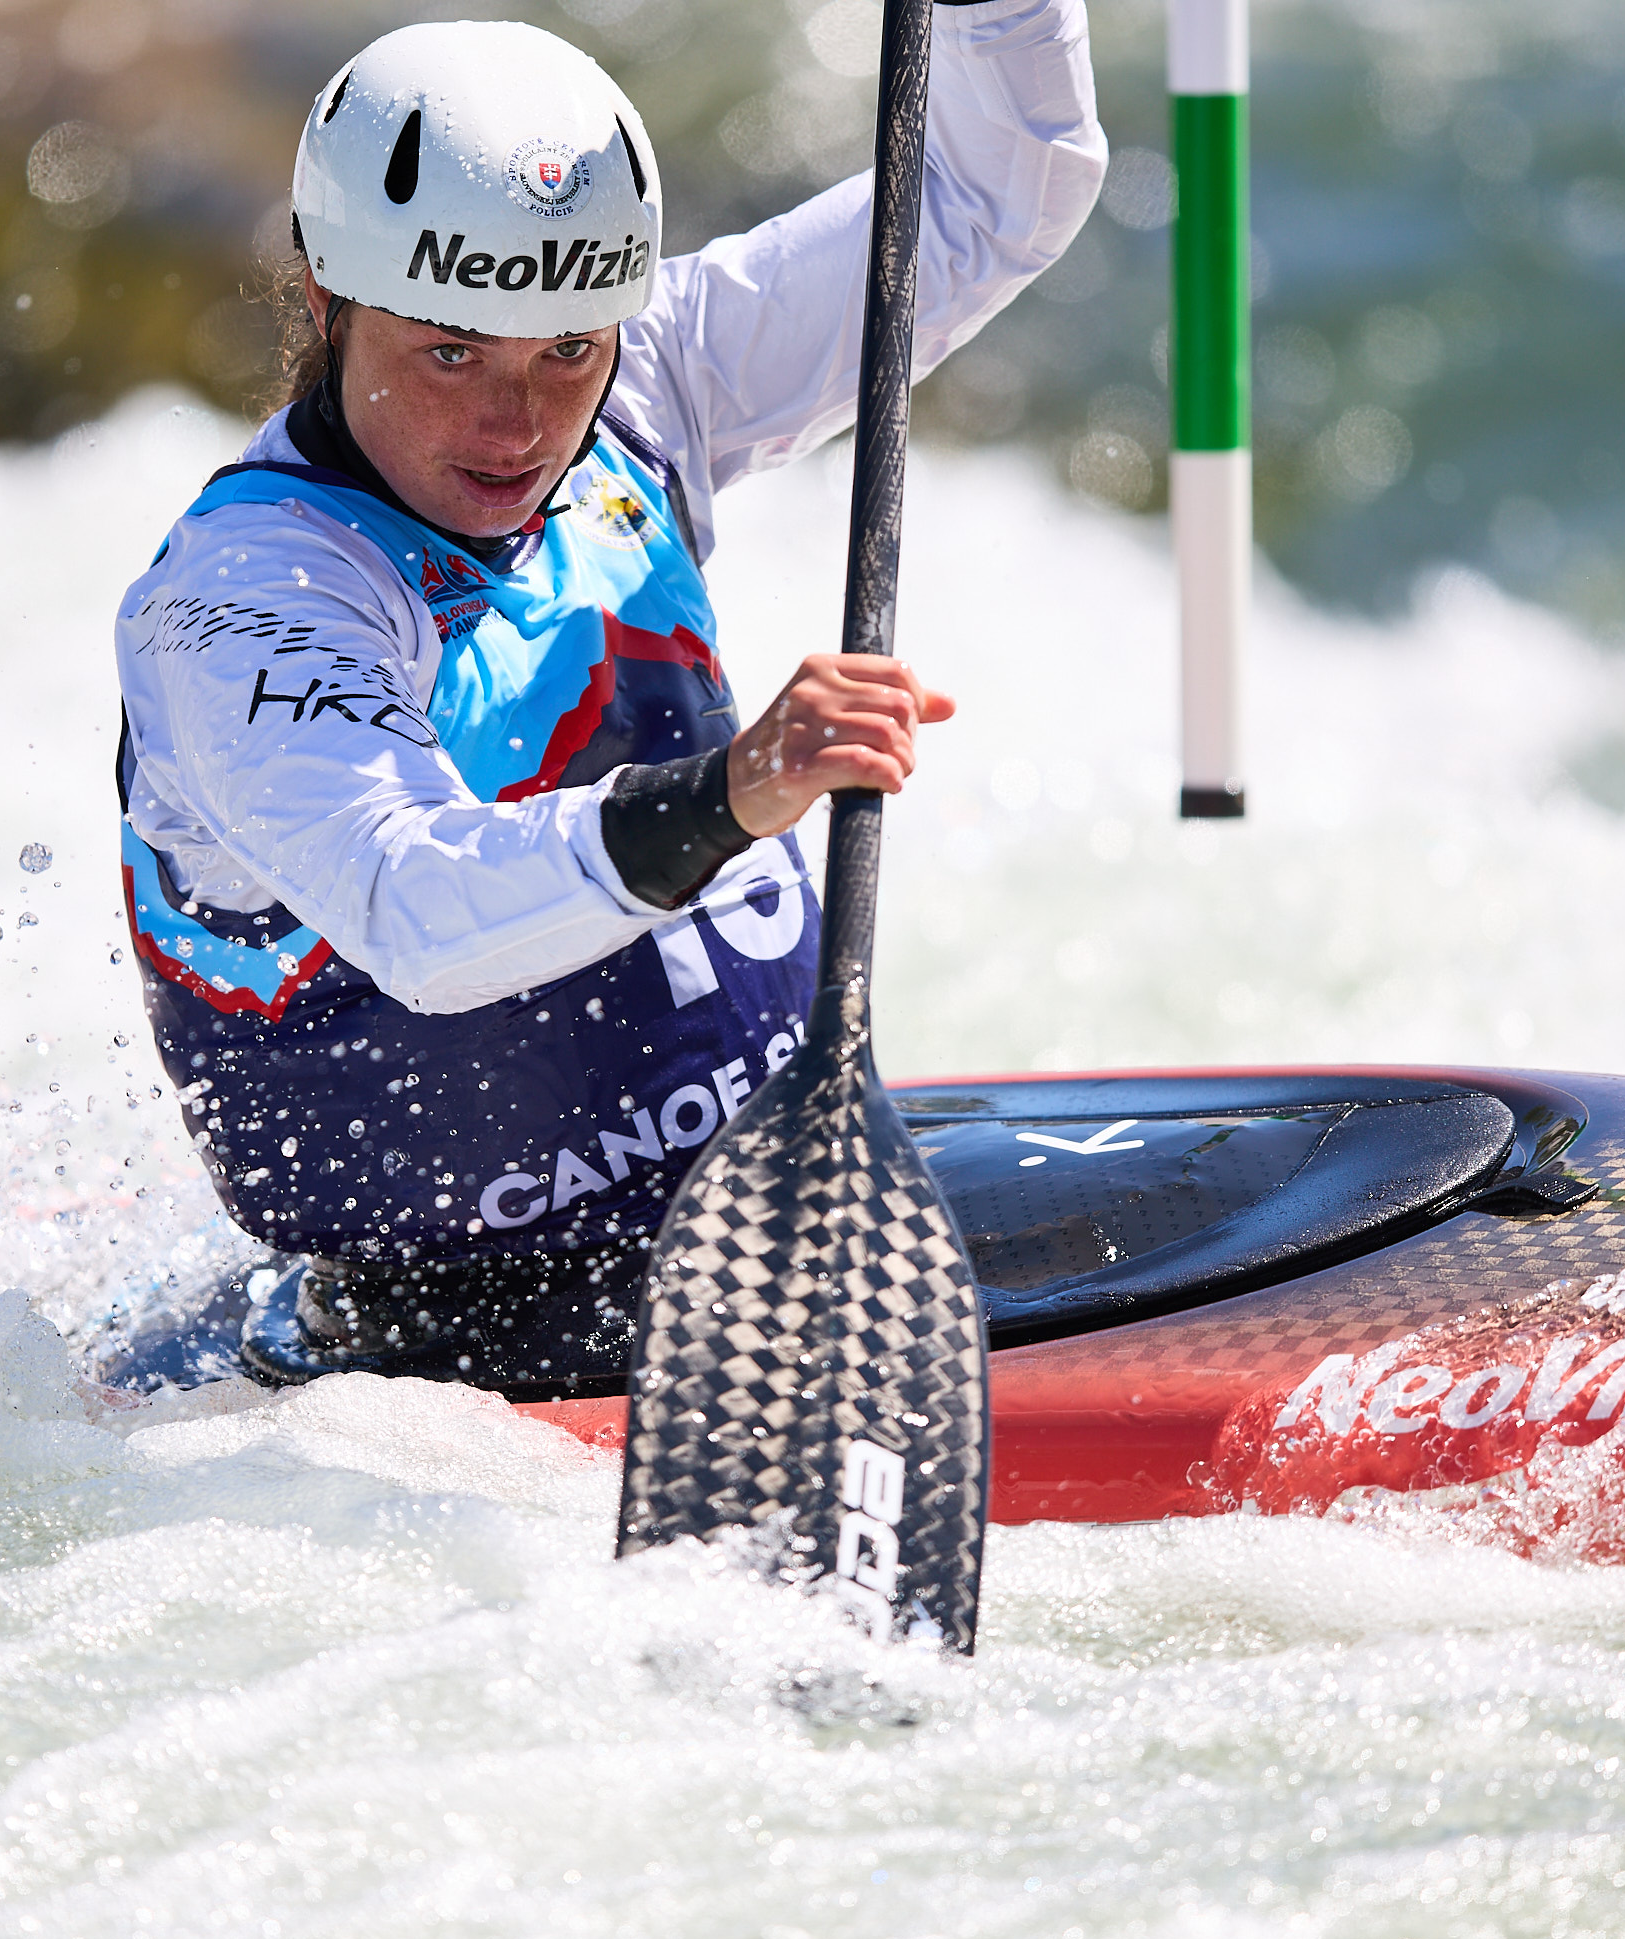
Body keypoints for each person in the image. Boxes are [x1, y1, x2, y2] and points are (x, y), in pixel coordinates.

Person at [111, 2, 1103, 1391]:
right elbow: (416, 909)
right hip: (450, 1334)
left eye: (566, 351)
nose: (517, 425)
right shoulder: (243, 606)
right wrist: (729, 795)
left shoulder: (652, 385)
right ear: (329, 304)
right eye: (451, 353)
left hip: (774, 1200)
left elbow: (995, 195)